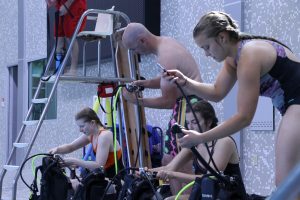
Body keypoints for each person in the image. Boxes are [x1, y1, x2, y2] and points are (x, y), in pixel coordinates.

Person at [163, 11, 300, 187]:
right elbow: (216, 92)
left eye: (207, 47)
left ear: (222, 38)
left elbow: (244, 118)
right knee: (289, 184)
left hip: (296, 104)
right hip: (291, 106)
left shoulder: (249, 55)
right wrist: (186, 82)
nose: (206, 54)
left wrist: (201, 138)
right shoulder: (233, 59)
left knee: (286, 185)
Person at [121, 22, 202, 192]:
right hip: (184, 105)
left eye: (134, 50)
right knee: (167, 162)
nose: (136, 54)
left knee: (181, 165)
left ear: (143, 41)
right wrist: (145, 83)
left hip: (189, 108)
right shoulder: (166, 44)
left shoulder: (166, 57)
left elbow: (168, 101)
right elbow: (167, 79)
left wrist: (136, 101)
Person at [150, 100, 246, 200]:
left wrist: (173, 175)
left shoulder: (224, 142)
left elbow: (209, 180)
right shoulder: (194, 143)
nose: (190, 127)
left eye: (194, 122)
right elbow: (169, 168)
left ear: (209, 122)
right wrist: (146, 171)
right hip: (207, 195)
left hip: (229, 196)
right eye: (188, 123)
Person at [49, 107, 124, 185]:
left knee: (71, 185)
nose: (80, 130)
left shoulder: (104, 135)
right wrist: (56, 149)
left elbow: (99, 165)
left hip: (116, 180)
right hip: (104, 177)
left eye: (82, 126)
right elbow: (71, 147)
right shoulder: (91, 134)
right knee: (67, 183)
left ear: (92, 123)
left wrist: (75, 161)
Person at [46, 0, 87, 76]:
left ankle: (73, 70)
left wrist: (67, 5)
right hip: (61, 5)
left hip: (74, 5)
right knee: (58, 37)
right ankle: (60, 69)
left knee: (71, 36)